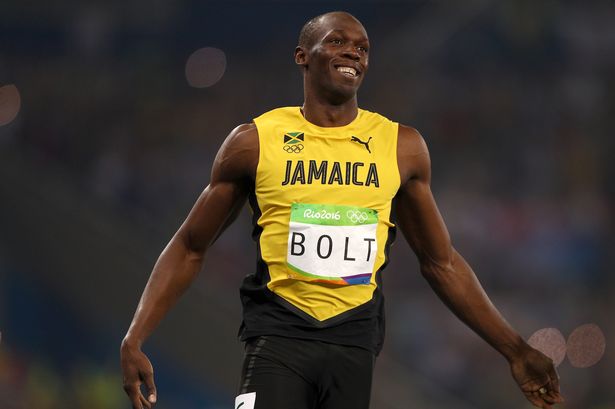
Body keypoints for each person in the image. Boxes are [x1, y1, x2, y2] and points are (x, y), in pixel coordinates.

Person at [120, 11, 564, 409]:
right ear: (302, 56)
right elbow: (190, 247)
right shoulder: (255, 140)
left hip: (353, 345)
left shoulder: (401, 147)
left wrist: (516, 349)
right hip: (278, 337)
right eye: (337, 40)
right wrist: (136, 336)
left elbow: (441, 262)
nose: (353, 50)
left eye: (363, 47)